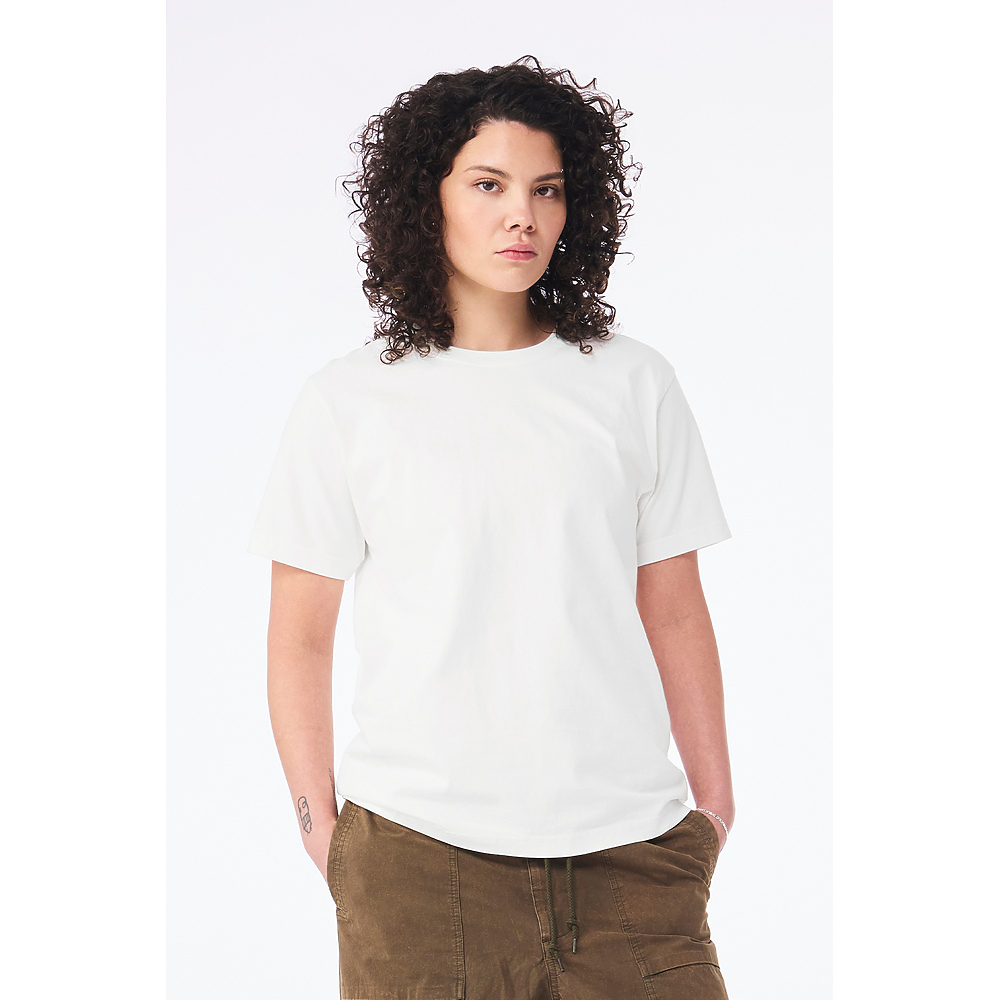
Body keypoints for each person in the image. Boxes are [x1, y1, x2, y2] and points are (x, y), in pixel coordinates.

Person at [248, 55, 736, 1000]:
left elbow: (674, 607)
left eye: (547, 189)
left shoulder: (631, 383)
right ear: (424, 199)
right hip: (418, 865)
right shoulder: (350, 401)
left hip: (632, 859)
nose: (524, 215)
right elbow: (299, 635)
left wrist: (712, 809)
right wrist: (322, 830)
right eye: (489, 185)